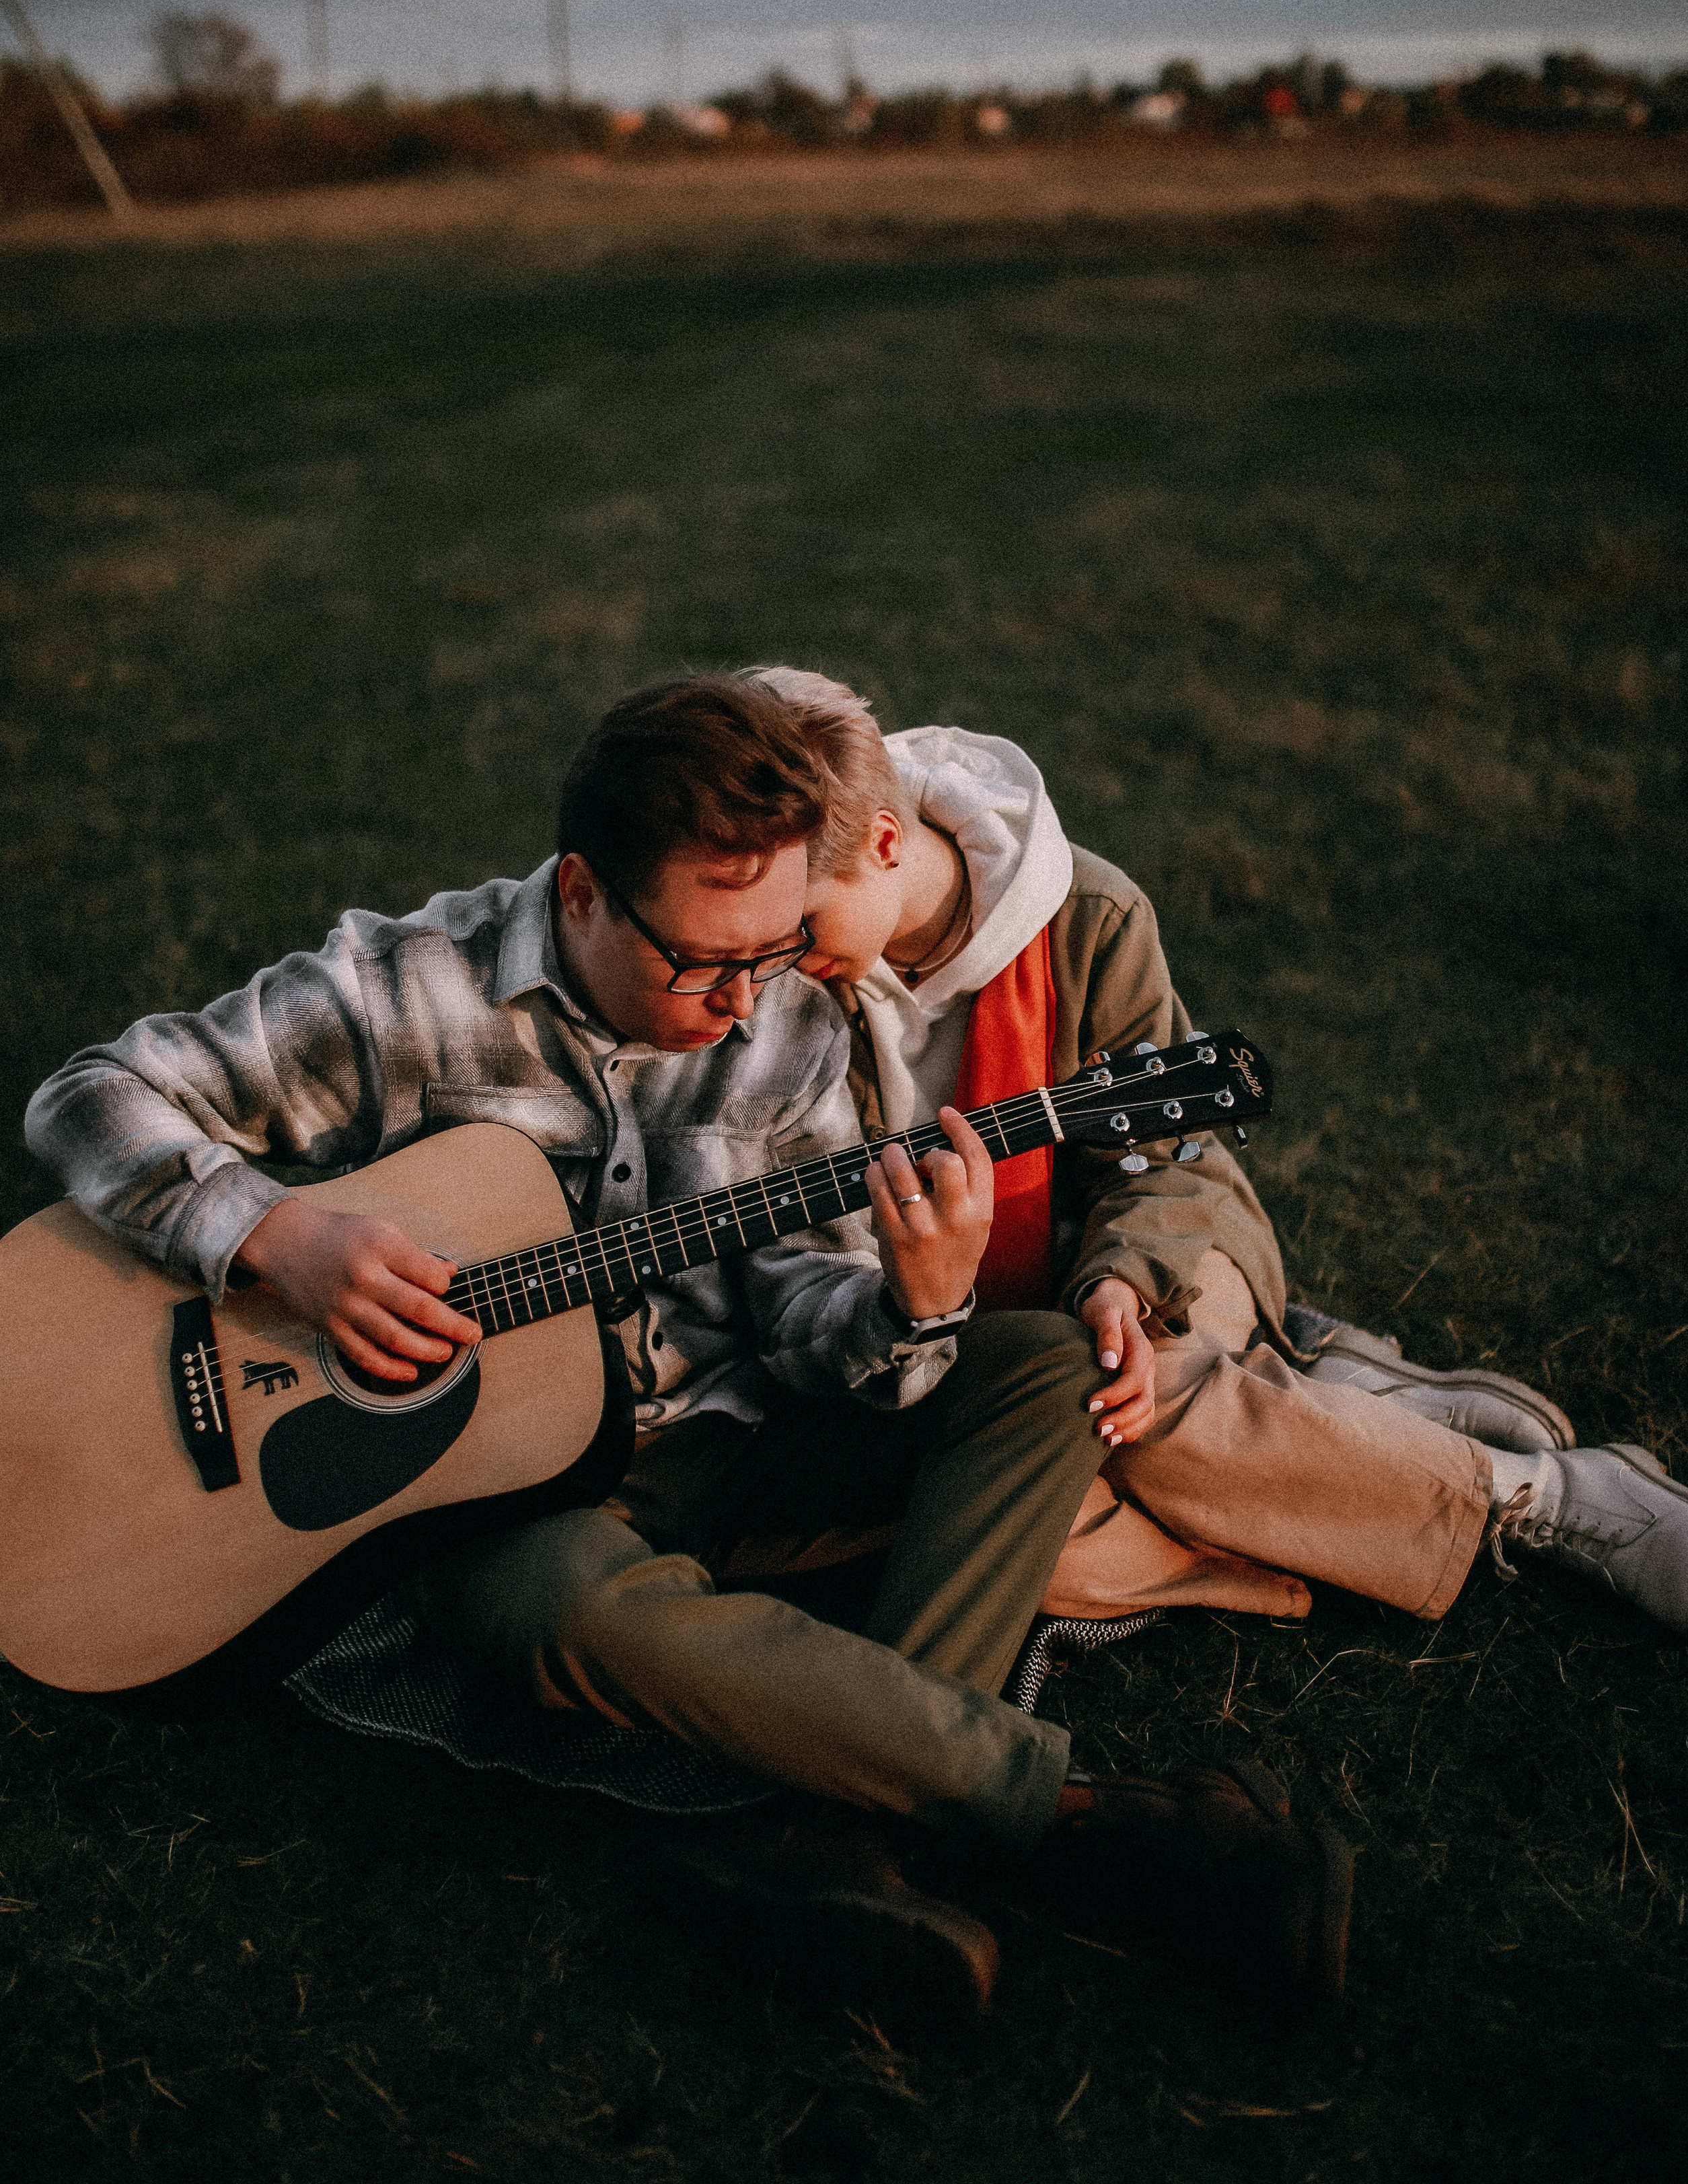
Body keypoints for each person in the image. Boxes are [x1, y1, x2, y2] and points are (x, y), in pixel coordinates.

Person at [24, 676, 1354, 2032]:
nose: (740, 1004)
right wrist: (277, 1238)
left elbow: (808, 1328)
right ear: (585, 891)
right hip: (512, 1492)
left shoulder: (778, 1025)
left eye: (772, 952)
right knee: (547, 1615)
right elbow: (90, 1098)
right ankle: (1084, 1815)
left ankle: (841, 1839)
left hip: (724, 1426)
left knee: (1043, 1367)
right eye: (702, 963)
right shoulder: (399, 992)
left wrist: (915, 1304)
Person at [753, 667, 1688, 1648]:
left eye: (799, 929)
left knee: (1119, 1388)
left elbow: (1164, 1158)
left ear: (883, 843)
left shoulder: (1090, 916)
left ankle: (1533, 1497)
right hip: (952, 1327)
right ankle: (1342, 1407)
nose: (767, 966)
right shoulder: (770, 975)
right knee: (1022, 1521)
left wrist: (1121, 1285)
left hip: (1153, 1244)